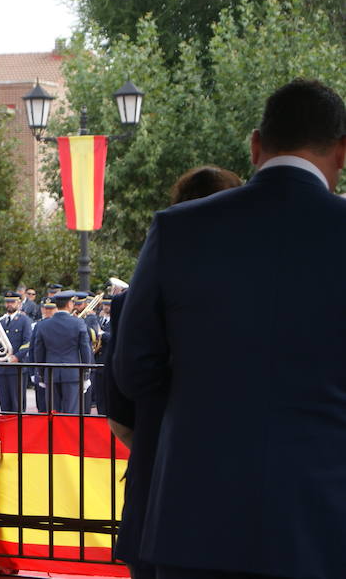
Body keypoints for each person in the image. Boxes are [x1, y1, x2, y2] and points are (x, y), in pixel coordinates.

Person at [115, 79, 346, 579]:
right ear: (342, 152)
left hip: (192, 514)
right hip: (324, 520)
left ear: (257, 144)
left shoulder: (177, 228)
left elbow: (134, 369)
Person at [103, 164, 241, 578]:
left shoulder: (130, 303)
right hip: (237, 501)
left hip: (154, 486)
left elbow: (118, 411)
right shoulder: (255, 300)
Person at [30, 290, 92, 414]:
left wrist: (41, 375)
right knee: (71, 413)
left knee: (53, 413)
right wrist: (86, 375)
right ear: (70, 304)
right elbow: (85, 350)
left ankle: (55, 434)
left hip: (51, 373)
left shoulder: (43, 325)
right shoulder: (78, 323)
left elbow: (39, 352)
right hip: (72, 373)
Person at [0, 290, 33, 412]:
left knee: (17, 404)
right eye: (7, 302)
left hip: (17, 367)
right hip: (1, 367)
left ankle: (18, 429)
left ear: (19, 303)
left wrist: (16, 357)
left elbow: (28, 342)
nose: (9, 304)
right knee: (4, 403)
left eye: (12, 302)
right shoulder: (0, 321)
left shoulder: (24, 320)